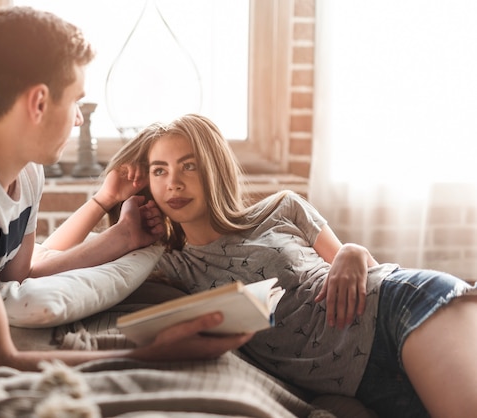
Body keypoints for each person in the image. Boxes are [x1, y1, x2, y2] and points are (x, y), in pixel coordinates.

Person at [0, 8, 251, 377]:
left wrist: (119, 230)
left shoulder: (27, 170)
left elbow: (20, 273)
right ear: (39, 102)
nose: (79, 119)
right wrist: (151, 354)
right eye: (76, 100)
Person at [90, 113, 477, 418]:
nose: (174, 182)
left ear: (213, 169)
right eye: (160, 171)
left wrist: (353, 251)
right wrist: (105, 200)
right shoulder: (169, 266)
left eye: (188, 166)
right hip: (363, 384)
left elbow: (358, 267)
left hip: (395, 308)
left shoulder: (281, 207)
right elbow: (46, 267)